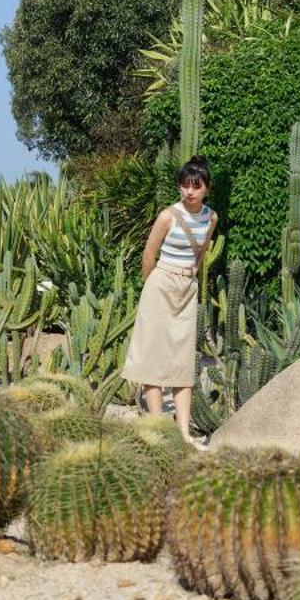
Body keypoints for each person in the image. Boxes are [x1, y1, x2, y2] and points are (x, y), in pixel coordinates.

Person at [121, 157, 216, 446]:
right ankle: (158, 426)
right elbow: (148, 256)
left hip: (187, 287)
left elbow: (200, 255)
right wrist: (156, 285)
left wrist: (188, 279)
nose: (189, 191)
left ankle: (184, 433)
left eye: (195, 186)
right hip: (161, 285)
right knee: (153, 355)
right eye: (185, 185)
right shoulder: (167, 216)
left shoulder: (211, 218)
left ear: (206, 189)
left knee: (182, 359)